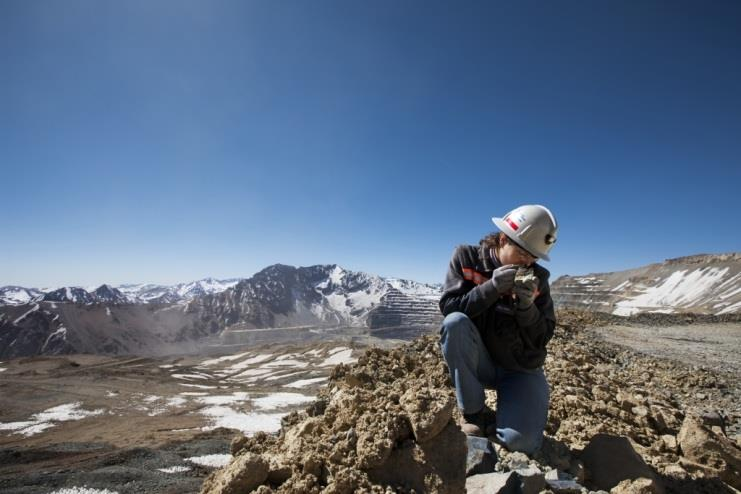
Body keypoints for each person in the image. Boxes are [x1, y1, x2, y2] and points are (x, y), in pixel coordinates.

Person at [438, 204, 558, 454]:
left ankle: (512, 410)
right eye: (523, 253)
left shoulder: (539, 279)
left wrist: (526, 308)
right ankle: (474, 413)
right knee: (455, 324)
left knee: (521, 443)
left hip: (519, 368)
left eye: (534, 256)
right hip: (480, 361)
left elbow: (542, 337)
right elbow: (451, 308)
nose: (528, 262)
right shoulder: (467, 257)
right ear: (503, 239)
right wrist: (491, 288)